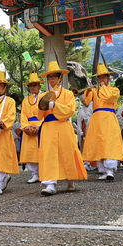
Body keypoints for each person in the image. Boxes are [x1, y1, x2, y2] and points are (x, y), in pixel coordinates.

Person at [36, 61, 87, 195]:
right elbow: (39, 114)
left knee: (67, 152)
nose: (52, 79)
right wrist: (43, 105)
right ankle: (50, 183)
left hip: (63, 126)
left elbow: (70, 111)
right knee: (49, 154)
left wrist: (54, 105)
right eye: (49, 77)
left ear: (60, 77)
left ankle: (71, 180)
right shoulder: (43, 95)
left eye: (54, 76)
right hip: (48, 127)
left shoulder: (68, 94)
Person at [82, 65, 123, 181]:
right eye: (99, 78)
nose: (101, 80)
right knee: (98, 143)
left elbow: (110, 98)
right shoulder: (95, 91)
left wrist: (102, 87)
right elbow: (86, 102)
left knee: (109, 142)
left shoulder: (114, 90)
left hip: (109, 118)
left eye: (103, 77)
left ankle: (110, 170)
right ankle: (103, 170)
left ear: (108, 78)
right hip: (97, 119)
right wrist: (87, 91)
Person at [19, 72, 43, 183]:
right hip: (28, 128)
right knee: (29, 152)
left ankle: (44, 172)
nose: (33, 87)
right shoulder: (25, 100)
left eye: (35, 85)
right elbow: (23, 115)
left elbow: (46, 112)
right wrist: (25, 127)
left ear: (39, 86)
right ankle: (34, 174)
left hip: (41, 127)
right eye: (31, 85)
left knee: (41, 150)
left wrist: (40, 127)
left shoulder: (44, 97)